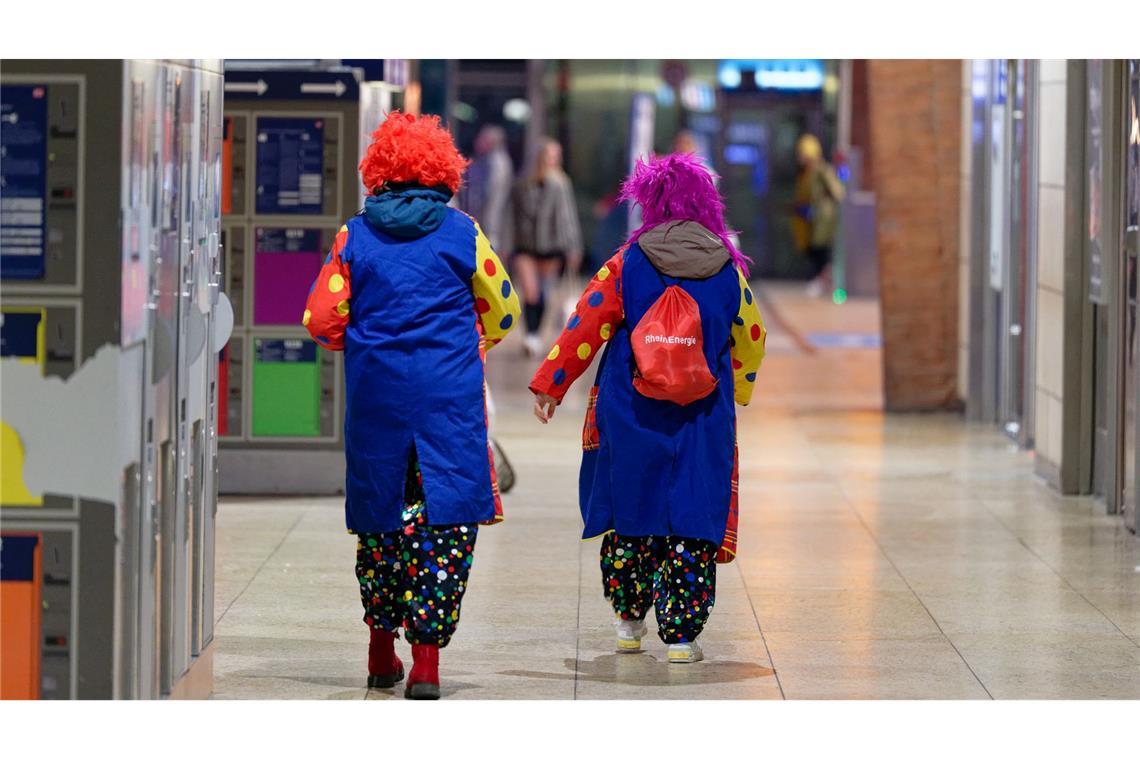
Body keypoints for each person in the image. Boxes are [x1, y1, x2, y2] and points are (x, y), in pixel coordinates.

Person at [303, 111, 520, 699]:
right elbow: (504, 309)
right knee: (443, 522)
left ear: (380, 169)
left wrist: (366, 342)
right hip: (446, 401)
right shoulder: (463, 231)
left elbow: (320, 319)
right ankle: (426, 663)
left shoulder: (354, 233)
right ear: (442, 168)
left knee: (381, 519)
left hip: (378, 399)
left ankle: (380, 652)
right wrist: (469, 340)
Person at [528, 153, 766, 663]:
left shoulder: (626, 262)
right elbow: (751, 337)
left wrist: (552, 383)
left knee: (632, 511)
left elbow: (585, 324)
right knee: (692, 514)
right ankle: (681, 637)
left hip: (631, 409)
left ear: (649, 203)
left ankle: (628, 622)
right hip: (702, 417)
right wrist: (738, 388)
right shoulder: (728, 269)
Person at [508, 137, 583, 357]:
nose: (552, 160)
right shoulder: (522, 183)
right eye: (549, 155)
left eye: (555, 156)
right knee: (530, 292)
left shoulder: (561, 183)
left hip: (551, 244)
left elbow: (567, 216)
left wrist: (574, 247)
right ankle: (530, 335)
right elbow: (510, 214)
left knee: (543, 292)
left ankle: (536, 335)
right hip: (525, 244)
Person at [790, 133, 845, 297]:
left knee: (819, 249)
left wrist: (823, 201)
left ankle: (822, 279)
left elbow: (837, 191)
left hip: (822, 218)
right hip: (809, 217)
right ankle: (822, 278)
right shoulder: (805, 173)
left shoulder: (821, 169)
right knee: (811, 248)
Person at [458, 124, 514, 252]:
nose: (477, 142)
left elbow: (494, 198)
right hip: (482, 219)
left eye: (482, 139)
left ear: (491, 142)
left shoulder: (498, 164)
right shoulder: (484, 160)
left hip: (491, 223)